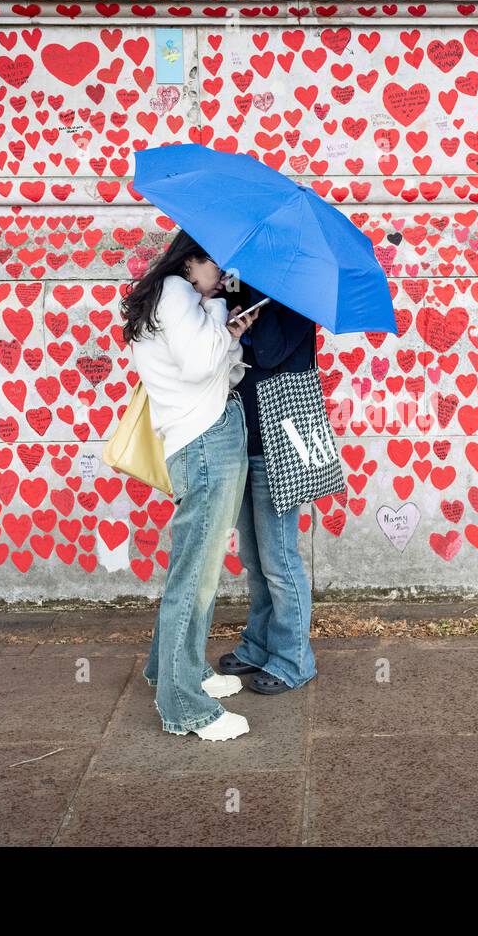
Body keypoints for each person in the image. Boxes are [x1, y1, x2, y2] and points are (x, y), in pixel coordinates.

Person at [120, 229, 261, 741]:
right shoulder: (177, 294)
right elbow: (200, 363)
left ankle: (172, 668)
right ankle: (184, 706)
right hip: (204, 445)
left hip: (207, 436)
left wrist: (234, 333)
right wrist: (224, 317)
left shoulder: (183, 299)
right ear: (189, 262)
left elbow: (214, 373)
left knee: (196, 570)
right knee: (195, 576)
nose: (222, 278)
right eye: (216, 267)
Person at [219, 284, 318, 695]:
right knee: (253, 559)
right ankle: (258, 646)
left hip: (283, 442)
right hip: (240, 440)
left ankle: (294, 660)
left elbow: (272, 354)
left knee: (278, 559)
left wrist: (253, 321)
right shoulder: (236, 293)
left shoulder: (298, 298)